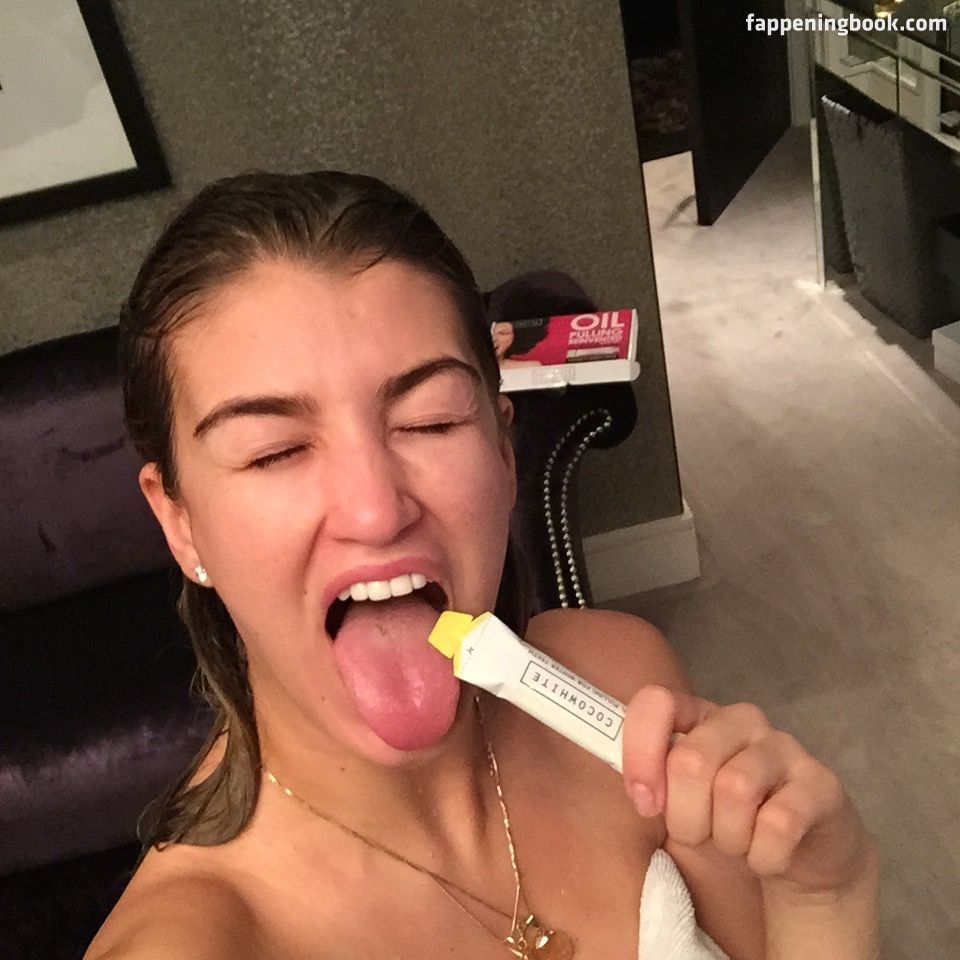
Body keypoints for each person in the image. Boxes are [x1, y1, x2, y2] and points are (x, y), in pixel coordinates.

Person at [85, 171, 879, 960]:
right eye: (275, 451)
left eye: (430, 422)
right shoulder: (191, 943)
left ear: (503, 451)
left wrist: (825, 894)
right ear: (180, 522)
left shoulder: (621, 673)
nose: (377, 510)